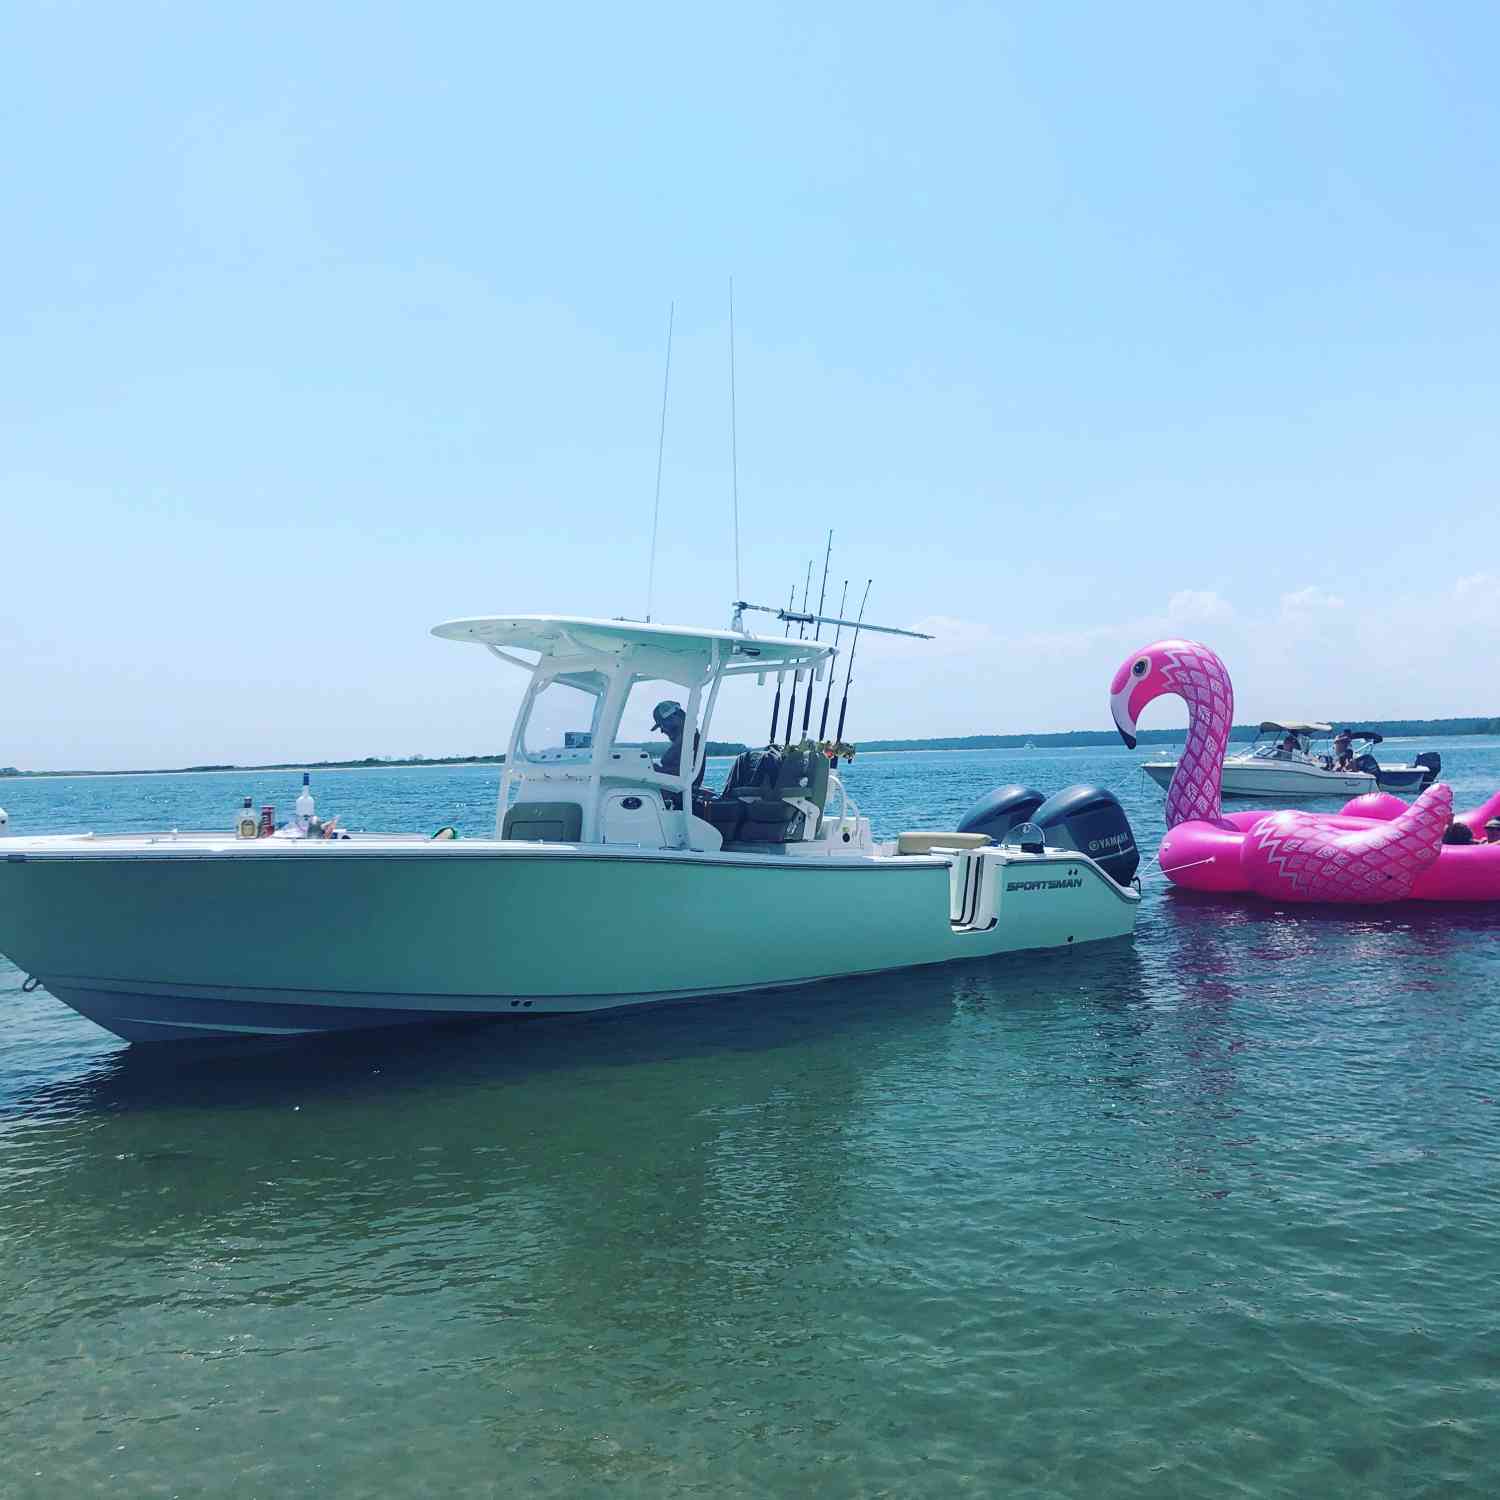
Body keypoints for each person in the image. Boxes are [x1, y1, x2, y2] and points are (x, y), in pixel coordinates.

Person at [651, 700, 706, 805]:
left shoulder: (689, 740)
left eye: (662, 724)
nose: (662, 730)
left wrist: (653, 770)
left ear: (675, 718)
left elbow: (684, 776)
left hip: (680, 800)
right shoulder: (686, 740)